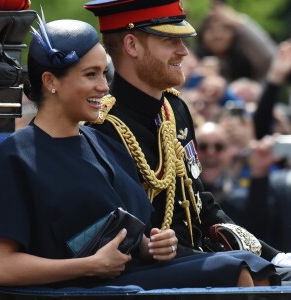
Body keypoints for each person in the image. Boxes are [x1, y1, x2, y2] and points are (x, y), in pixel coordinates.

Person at [0, 13, 277, 289]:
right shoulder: (17, 155)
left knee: (258, 268)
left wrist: (154, 245)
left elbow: (132, 233)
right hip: (77, 286)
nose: (103, 86)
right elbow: (0, 267)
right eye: (90, 75)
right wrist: (89, 265)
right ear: (50, 81)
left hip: (123, 277)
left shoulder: (101, 143)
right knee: (234, 271)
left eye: (104, 73)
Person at [84, 0, 291, 283]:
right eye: (170, 40)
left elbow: (199, 203)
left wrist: (272, 255)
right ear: (132, 46)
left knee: (269, 271)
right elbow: (128, 237)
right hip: (139, 270)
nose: (183, 51)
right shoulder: (103, 126)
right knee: (243, 272)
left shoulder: (174, 109)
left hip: (191, 257)